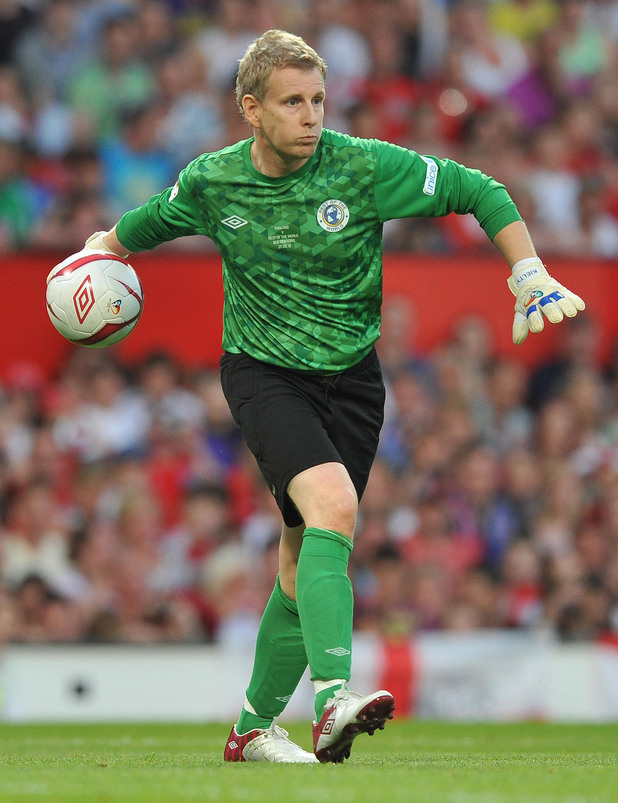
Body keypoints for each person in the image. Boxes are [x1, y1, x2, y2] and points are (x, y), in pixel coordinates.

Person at [75, 28, 585, 764]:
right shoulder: (214, 182)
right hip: (263, 374)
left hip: (353, 380)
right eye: (291, 102)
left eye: (318, 99)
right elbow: (145, 224)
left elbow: (481, 188)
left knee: (297, 556)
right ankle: (332, 698)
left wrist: (527, 270)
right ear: (251, 108)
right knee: (334, 508)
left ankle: (251, 727)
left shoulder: (362, 166)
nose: (311, 116)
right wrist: (103, 249)